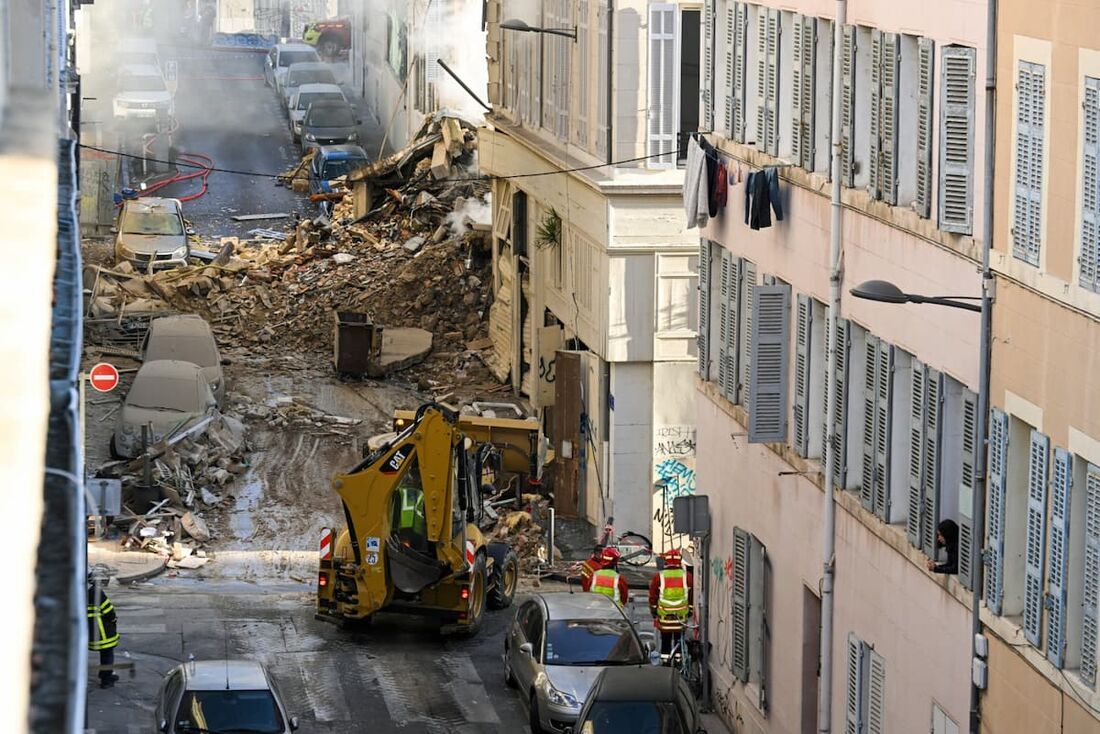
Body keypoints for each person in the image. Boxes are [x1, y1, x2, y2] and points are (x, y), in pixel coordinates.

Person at [649, 549, 695, 655]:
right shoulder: (687, 576)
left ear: (666, 561)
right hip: (681, 618)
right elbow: (692, 596)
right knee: (679, 643)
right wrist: (690, 611)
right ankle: (678, 661)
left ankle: (666, 662)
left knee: (665, 642)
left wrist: (654, 611)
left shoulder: (659, 577)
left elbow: (653, 597)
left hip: (665, 618)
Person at [87, 574, 120, 688]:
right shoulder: (96, 592)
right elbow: (109, 610)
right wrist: (114, 619)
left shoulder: (77, 593)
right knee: (107, 655)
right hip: (103, 632)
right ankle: (106, 679)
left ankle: (104, 674)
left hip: (89, 633)